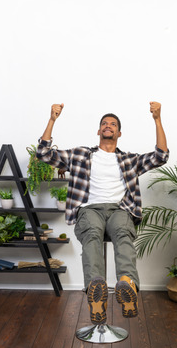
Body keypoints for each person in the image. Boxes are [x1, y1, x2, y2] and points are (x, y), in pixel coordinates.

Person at [36, 101, 169, 325]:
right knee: (91, 236)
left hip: (120, 209)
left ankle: (127, 285)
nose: (108, 126)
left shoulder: (129, 160)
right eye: (104, 124)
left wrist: (157, 120)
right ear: (99, 131)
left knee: (124, 235)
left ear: (119, 132)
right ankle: (96, 288)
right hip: (90, 208)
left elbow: (161, 156)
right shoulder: (79, 155)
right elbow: (43, 153)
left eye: (113, 124)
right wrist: (52, 119)